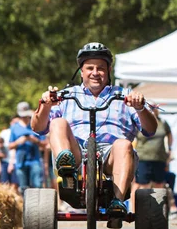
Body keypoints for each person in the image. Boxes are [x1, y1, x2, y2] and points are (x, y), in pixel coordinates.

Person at [31, 42, 157, 218]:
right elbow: (38, 128)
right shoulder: (66, 95)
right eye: (90, 68)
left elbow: (150, 130)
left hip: (112, 154)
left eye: (101, 68)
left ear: (109, 70)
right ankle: (66, 168)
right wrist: (45, 106)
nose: (95, 73)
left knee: (124, 144)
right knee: (58, 122)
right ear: (81, 71)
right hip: (75, 150)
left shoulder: (125, 95)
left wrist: (140, 107)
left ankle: (117, 202)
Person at [132, 105, 177, 215]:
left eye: (154, 108)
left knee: (159, 184)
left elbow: (169, 135)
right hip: (143, 157)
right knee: (142, 185)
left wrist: (170, 149)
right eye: (150, 108)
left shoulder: (162, 122)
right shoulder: (139, 121)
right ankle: (137, 211)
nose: (153, 110)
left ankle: (158, 211)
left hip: (159, 158)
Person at [9, 102, 43, 193]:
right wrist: (18, 142)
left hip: (34, 160)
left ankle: (37, 206)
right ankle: (26, 206)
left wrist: (35, 140)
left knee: (37, 185)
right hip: (20, 161)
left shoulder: (35, 125)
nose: (24, 117)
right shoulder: (14, 127)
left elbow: (45, 144)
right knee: (23, 187)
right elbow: (10, 146)